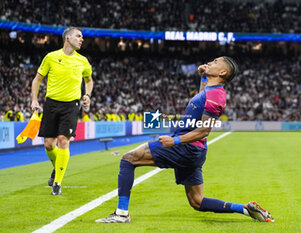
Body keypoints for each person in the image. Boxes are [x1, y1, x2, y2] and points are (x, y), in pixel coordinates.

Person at [95, 57, 274, 223]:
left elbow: (204, 130)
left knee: (128, 159)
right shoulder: (211, 91)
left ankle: (121, 214)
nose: (211, 62)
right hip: (192, 149)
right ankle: (244, 209)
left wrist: (175, 141)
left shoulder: (217, 94)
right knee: (197, 201)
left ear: (223, 73)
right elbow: (201, 98)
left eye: (216, 61)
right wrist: (203, 78)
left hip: (186, 147)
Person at [31, 27, 93, 196]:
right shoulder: (51, 57)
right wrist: (34, 100)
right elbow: (37, 80)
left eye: (82, 37)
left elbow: (89, 80)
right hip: (51, 104)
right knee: (49, 144)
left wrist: (87, 94)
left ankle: (57, 183)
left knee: (63, 141)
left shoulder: (83, 61)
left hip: (71, 106)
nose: (82, 39)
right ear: (67, 38)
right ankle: (57, 168)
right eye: (78, 36)